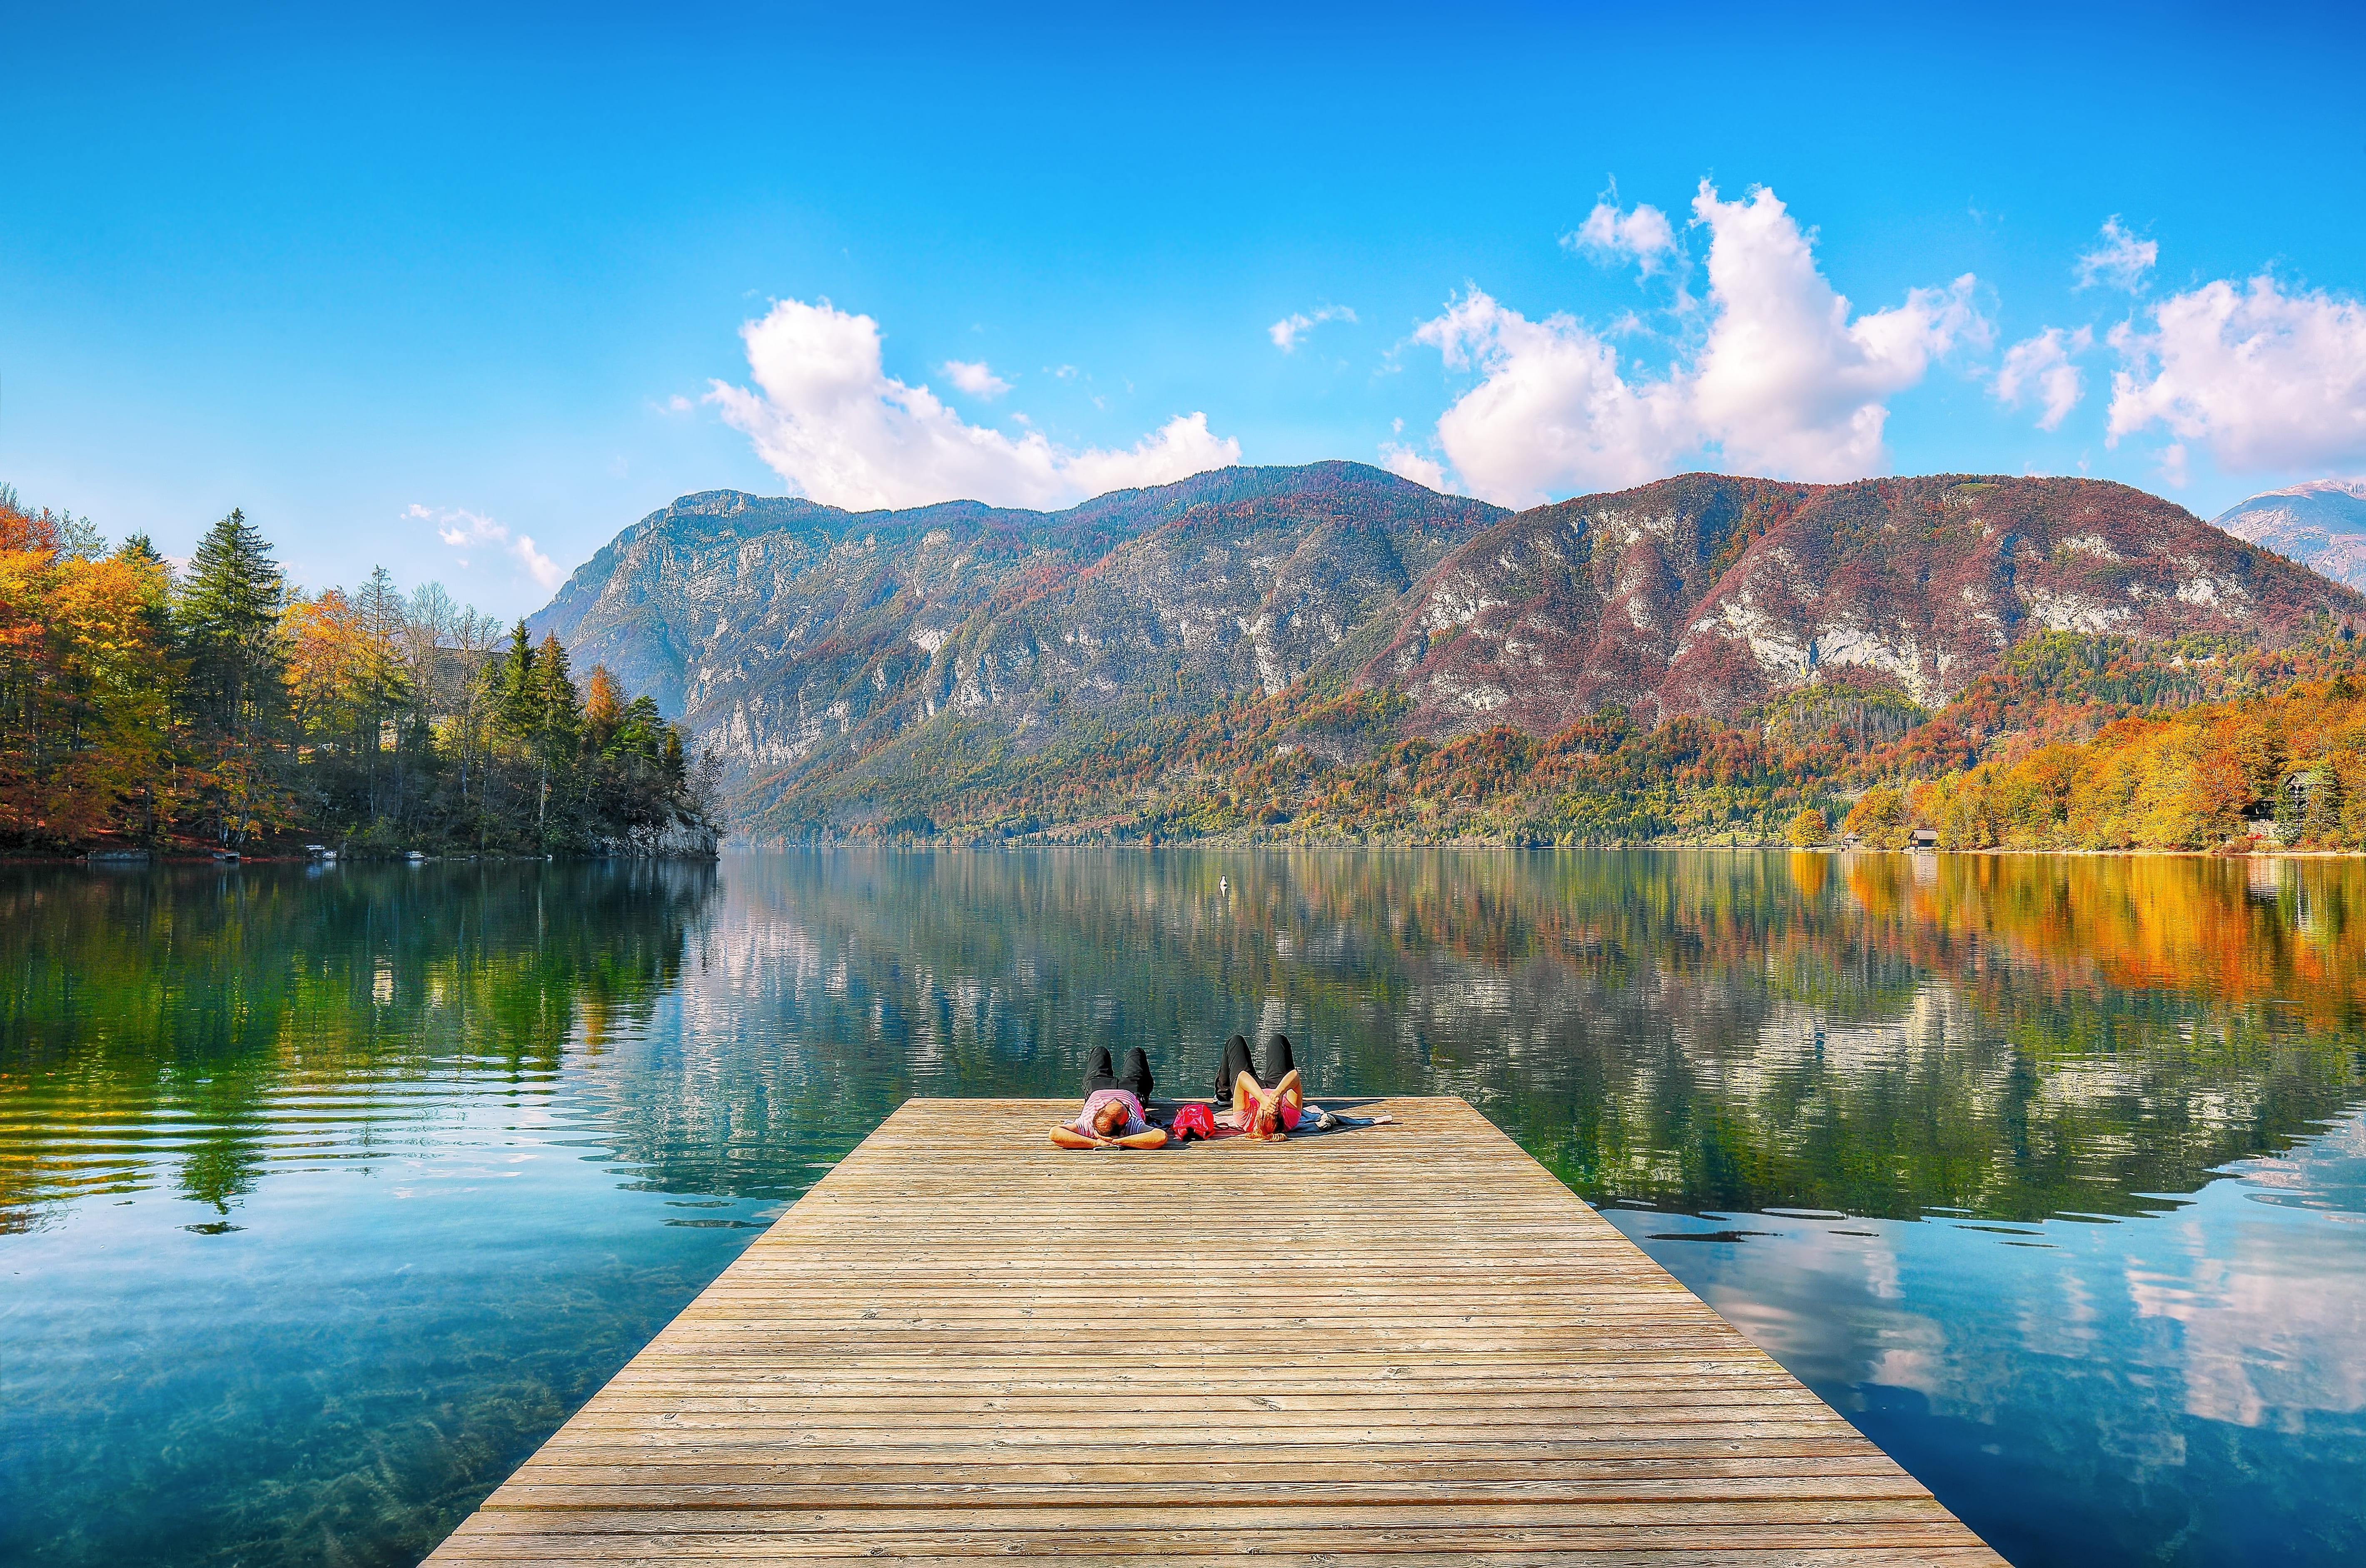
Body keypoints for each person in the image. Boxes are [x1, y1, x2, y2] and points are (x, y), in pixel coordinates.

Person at [1049, 1045, 1169, 1149]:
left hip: (1098, 1087)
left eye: (1112, 1103)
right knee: (1136, 1052)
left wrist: (1097, 1143)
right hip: (1133, 1090)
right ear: (1126, 1122)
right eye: (1126, 1109)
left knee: (1100, 1051)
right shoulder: (1132, 1126)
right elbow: (1161, 1137)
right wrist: (1118, 1141)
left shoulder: (1087, 1125)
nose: (1125, 1104)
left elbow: (1055, 1133)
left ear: (1101, 1110)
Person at [1214, 1032, 1303, 1140]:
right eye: (1277, 1109)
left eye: (1266, 1108)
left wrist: (1261, 1098)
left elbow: (1243, 1076)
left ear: (1258, 1117)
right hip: (1277, 1086)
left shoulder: (1245, 1119)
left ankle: (1223, 1096)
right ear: (1281, 1115)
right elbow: (1295, 1075)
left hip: (1249, 1089)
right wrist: (1279, 1092)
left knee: (1236, 1041)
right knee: (1278, 1040)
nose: (1272, 1104)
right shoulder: (1290, 1119)